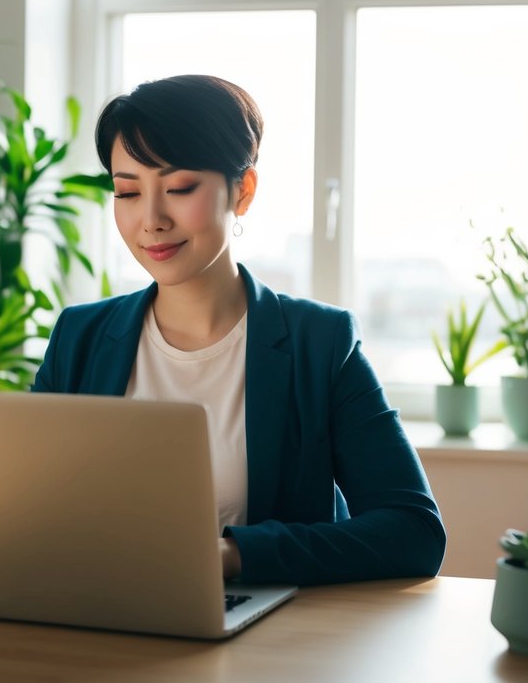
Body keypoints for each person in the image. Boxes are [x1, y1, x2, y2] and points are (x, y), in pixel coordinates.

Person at [32, 74, 445, 586]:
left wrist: (228, 556)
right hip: (99, 616)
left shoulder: (321, 342)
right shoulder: (80, 337)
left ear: (243, 191)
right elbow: (32, 507)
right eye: (127, 192)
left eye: (180, 188)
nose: (151, 219)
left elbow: (414, 532)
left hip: (262, 637)